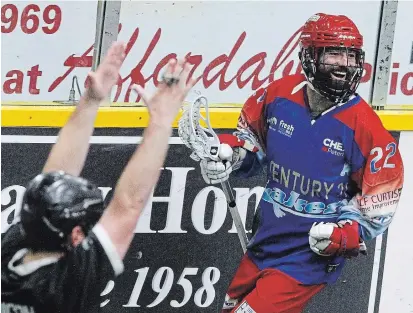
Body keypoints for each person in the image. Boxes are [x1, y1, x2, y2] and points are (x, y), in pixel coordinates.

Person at [200, 13, 404, 313]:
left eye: (351, 55)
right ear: (309, 55)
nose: (344, 64)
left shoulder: (365, 127)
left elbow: (381, 200)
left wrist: (345, 234)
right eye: (334, 53)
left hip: (308, 257)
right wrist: (231, 156)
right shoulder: (278, 95)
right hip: (266, 240)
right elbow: (251, 144)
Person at [1, 41, 195, 313]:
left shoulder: (10, 254)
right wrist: (162, 121)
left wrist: (90, 102)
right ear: (77, 235)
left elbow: (55, 177)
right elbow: (128, 204)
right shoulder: (69, 281)